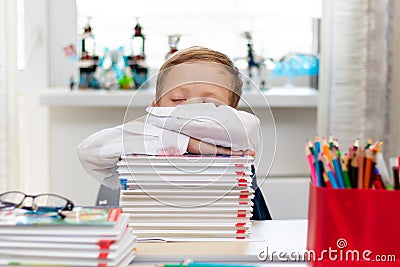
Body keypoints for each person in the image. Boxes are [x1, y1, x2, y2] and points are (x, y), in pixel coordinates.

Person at [78, 46, 272, 220]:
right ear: (156, 106)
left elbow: (244, 127)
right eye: (178, 99)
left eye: (208, 104)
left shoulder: (239, 134)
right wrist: (189, 143)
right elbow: (91, 150)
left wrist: (161, 119)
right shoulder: (144, 137)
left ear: (233, 111)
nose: (192, 108)